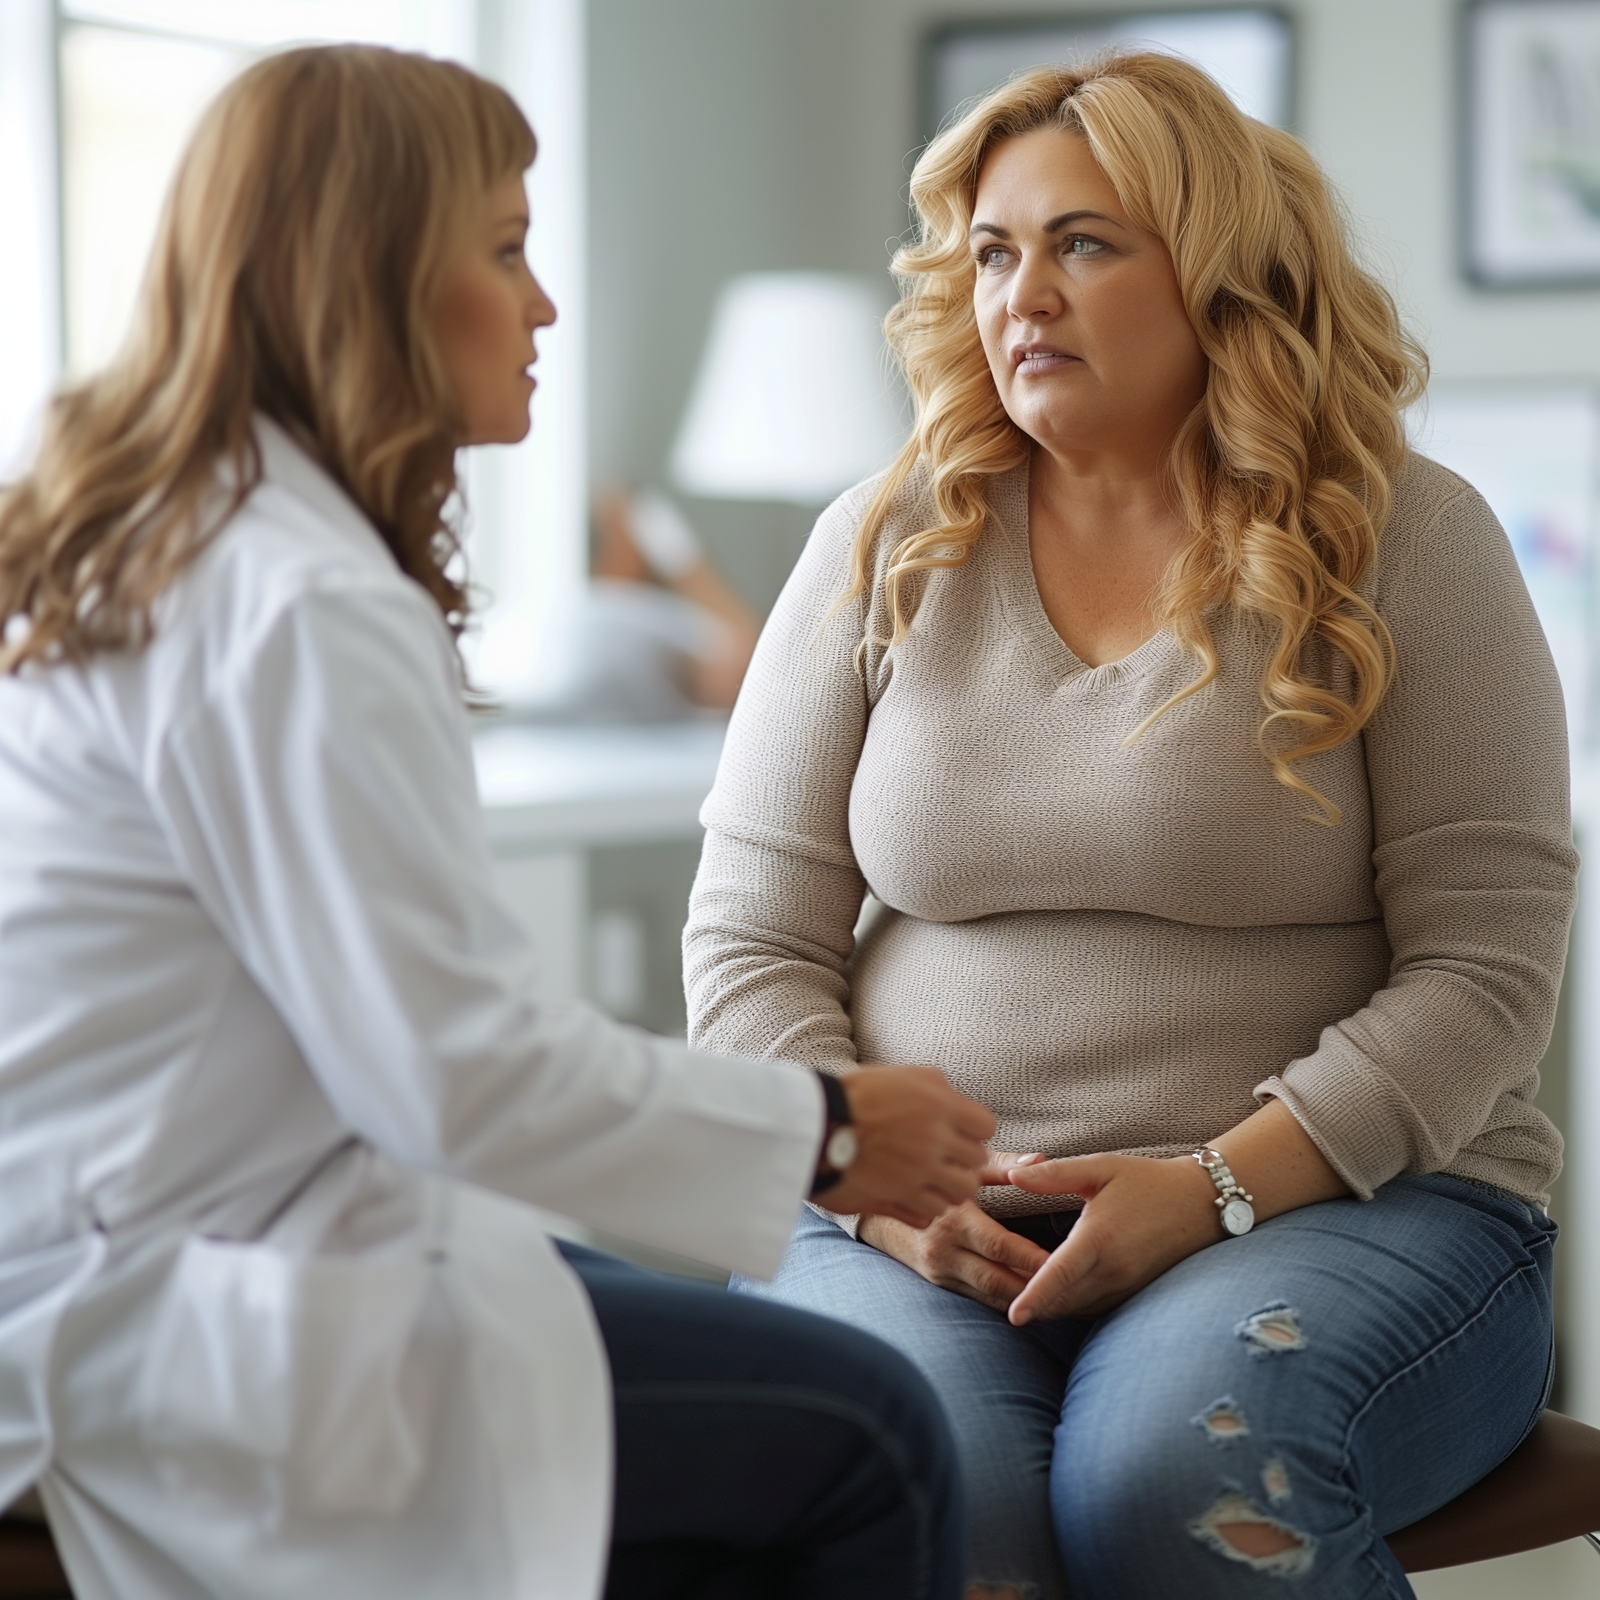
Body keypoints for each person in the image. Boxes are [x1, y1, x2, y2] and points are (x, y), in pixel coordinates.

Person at [0, 45, 998, 1600]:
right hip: (156, 1313)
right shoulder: (297, 602)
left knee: (651, 1371)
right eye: (508, 250)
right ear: (376, 278)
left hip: (158, 1238)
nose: (544, 307)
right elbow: (449, 1074)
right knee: (875, 1434)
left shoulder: (178, 539)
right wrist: (833, 1129)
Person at [683, 53, 1573, 1600]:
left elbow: (1488, 971)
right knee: (924, 1502)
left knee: (1170, 1480)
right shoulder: (883, 541)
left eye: (1084, 244)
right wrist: (878, 1196)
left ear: (1221, 278)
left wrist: (1215, 1188)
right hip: (915, 1231)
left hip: (1347, 1208)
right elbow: (750, 943)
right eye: (993, 253)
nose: (1023, 295)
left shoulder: (1410, 539)